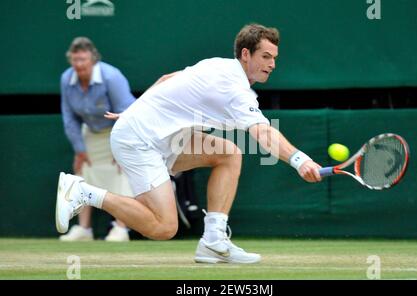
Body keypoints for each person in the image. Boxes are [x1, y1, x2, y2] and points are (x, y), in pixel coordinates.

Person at [55, 24, 322, 262]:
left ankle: (214, 242)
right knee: (164, 227)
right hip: (138, 140)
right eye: (265, 56)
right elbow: (264, 134)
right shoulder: (235, 90)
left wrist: (136, 109)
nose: (272, 64)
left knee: (229, 154)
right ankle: (82, 192)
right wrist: (301, 161)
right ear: (245, 54)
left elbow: (166, 79)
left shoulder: (217, 64)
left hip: (161, 137)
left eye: (274, 58)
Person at [59, 37, 135, 242]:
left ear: (92, 59)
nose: (79, 64)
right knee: (82, 172)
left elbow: (127, 113)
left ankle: (120, 228)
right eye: (75, 60)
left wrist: (124, 148)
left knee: (123, 174)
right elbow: (69, 117)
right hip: (90, 132)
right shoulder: (67, 79)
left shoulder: (112, 77)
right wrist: (79, 149)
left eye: (83, 59)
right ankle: (84, 229)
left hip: (118, 131)